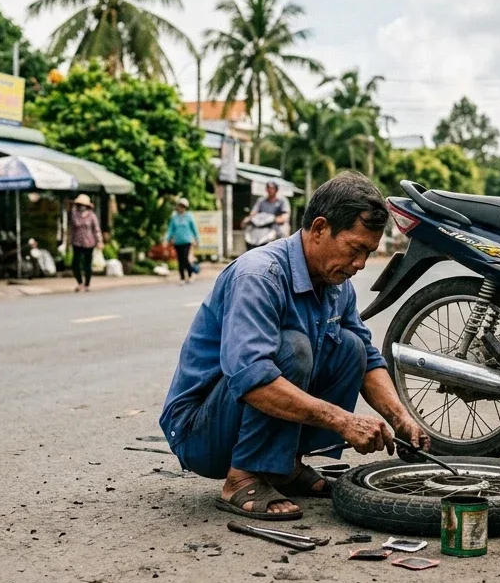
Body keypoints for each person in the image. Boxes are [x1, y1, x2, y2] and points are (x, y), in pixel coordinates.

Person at [160, 173, 430, 521]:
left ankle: (282, 466)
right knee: (292, 348)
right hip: (199, 432)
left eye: (369, 252)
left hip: (235, 417)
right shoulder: (259, 276)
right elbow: (252, 379)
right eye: (355, 248)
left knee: (351, 348)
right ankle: (243, 475)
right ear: (319, 229)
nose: (361, 264)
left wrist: (400, 419)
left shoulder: (336, 284)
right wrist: (343, 421)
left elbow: (368, 361)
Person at [68, 193, 101, 292]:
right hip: (77, 241)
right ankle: (79, 283)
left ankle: (87, 284)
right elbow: (72, 229)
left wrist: (99, 241)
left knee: (87, 264)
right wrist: (69, 241)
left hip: (89, 242)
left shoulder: (92, 216)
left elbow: (96, 229)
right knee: (75, 263)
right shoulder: (75, 215)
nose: (81, 207)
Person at [165, 198, 200, 284]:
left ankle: (191, 273)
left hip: (187, 241)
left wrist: (197, 239)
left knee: (185, 259)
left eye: (183, 206)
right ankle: (182, 278)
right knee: (180, 260)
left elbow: (194, 229)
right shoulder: (174, 217)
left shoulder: (189, 216)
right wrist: (167, 238)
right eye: (180, 206)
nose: (181, 208)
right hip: (177, 241)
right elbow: (170, 229)